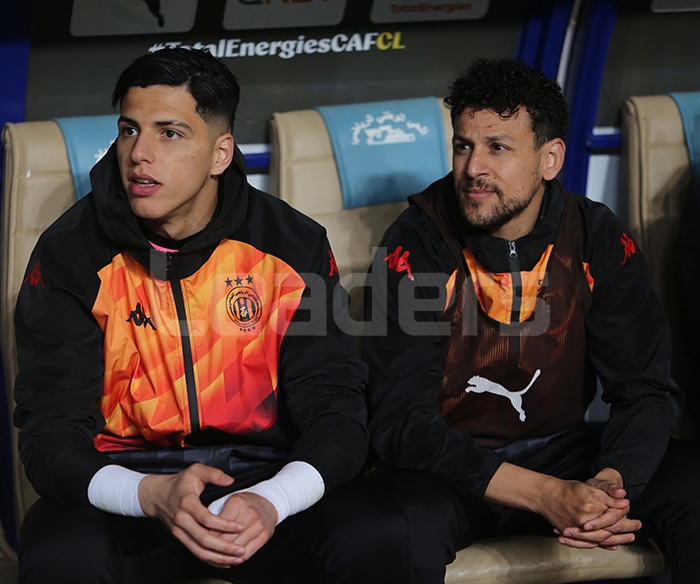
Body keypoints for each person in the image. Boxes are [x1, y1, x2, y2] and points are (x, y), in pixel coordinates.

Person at [14, 47, 406, 584]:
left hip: (262, 485)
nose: (139, 154)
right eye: (129, 130)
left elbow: (335, 409)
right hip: (131, 492)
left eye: (170, 133)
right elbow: (49, 436)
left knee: (378, 531)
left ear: (221, 153)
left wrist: (272, 500)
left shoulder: (291, 243)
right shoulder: (70, 253)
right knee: (60, 553)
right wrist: (148, 494)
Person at [364, 58, 700, 583]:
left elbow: (646, 389)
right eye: (463, 145)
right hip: (450, 472)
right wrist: (544, 495)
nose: (474, 167)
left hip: (566, 453)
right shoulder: (417, 242)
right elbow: (400, 419)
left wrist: (611, 485)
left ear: (550, 158)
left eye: (498, 147)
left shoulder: (596, 235)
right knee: (386, 531)